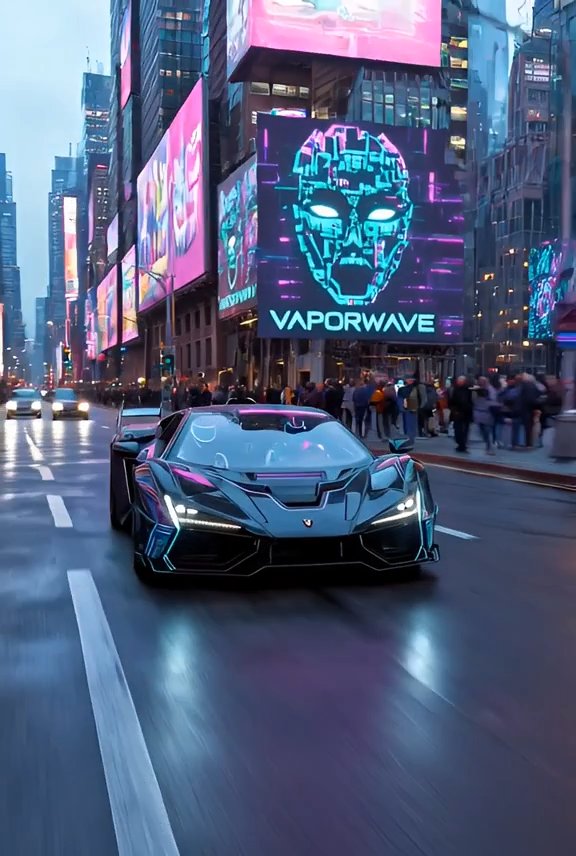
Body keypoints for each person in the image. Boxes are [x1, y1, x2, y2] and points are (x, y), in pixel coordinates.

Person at [448, 376, 473, 453]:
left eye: (460, 381)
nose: (459, 382)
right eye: (458, 381)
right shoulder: (456, 389)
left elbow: (469, 401)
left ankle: (462, 444)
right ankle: (461, 444)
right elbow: (452, 401)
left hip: (465, 413)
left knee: (463, 430)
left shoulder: (468, 390)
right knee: (459, 430)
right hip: (458, 413)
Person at [473, 376, 496, 454]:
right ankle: (488, 446)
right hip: (480, 413)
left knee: (487, 431)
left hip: (487, 413)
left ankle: (489, 447)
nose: (480, 382)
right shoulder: (478, 389)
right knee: (482, 431)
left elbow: (492, 400)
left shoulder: (490, 389)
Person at [397, 376, 420, 443]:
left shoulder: (402, 389)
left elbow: (399, 399)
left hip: (406, 406)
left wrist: (401, 408)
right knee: (412, 422)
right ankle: (411, 436)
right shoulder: (416, 388)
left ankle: (408, 436)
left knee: (407, 422)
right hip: (413, 406)